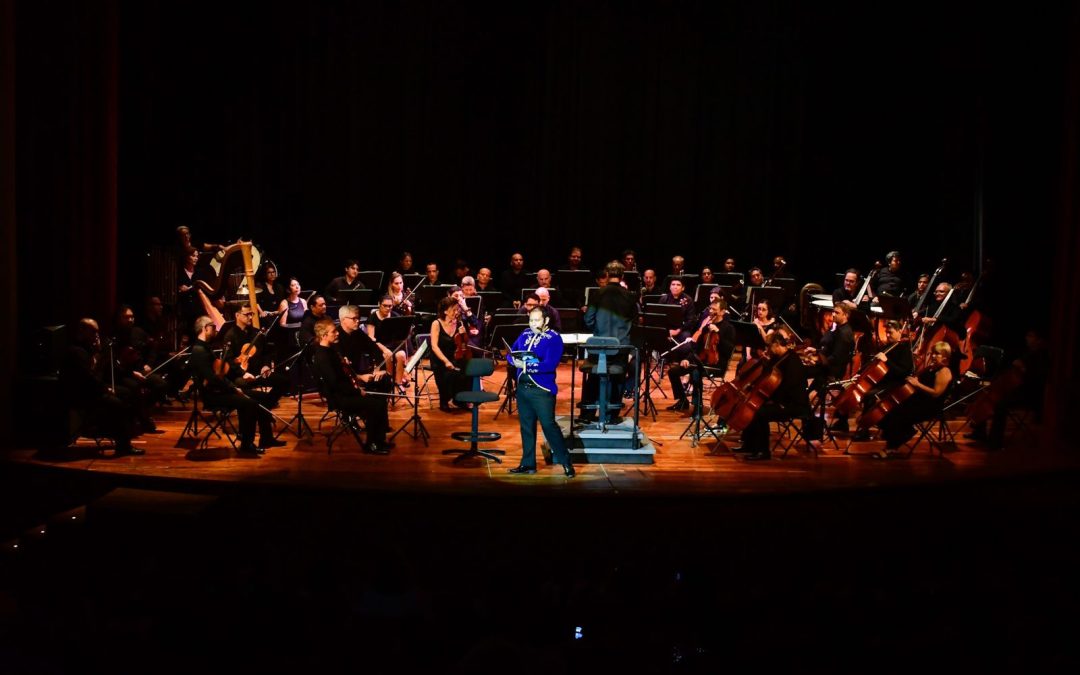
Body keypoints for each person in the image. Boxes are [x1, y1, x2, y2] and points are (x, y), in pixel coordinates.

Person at [188, 315, 283, 455]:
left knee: (261, 396)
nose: (216, 330)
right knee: (248, 403)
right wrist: (233, 388)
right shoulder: (199, 351)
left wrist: (232, 386)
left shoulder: (206, 348)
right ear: (205, 329)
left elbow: (219, 374)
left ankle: (266, 438)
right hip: (213, 395)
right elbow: (213, 378)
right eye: (213, 327)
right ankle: (247, 444)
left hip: (220, 390)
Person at [506, 308, 575, 477]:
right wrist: (513, 360)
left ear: (546, 321)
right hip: (523, 388)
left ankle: (566, 462)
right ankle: (528, 463)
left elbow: (549, 365)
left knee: (549, 426)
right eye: (531, 320)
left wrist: (526, 366)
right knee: (526, 427)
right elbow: (511, 352)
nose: (533, 324)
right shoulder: (525, 333)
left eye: (536, 320)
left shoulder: (554, 338)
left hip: (541, 390)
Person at [310, 318, 392, 455]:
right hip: (339, 397)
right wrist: (358, 391)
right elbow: (335, 383)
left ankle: (379, 440)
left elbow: (344, 374)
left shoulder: (330, 350)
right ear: (324, 336)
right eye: (333, 332)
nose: (337, 334)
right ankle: (371, 444)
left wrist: (358, 378)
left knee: (380, 397)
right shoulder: (322, 357)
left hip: (346, 391)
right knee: (375, 405)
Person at [60, 318, 141, 455]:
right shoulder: (76, 351)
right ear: (82, 331)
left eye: (97, 332)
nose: (97, 335)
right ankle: (121, 444)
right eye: (93, 332)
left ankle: (124, 434)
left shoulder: (87, 348)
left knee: (127, 393)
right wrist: (105, 388)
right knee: (118, 404)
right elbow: (88, 378)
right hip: (81, 394)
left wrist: (97, 352)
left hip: (89, 390)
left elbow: (95, 374)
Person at [733, 331, 810, 461]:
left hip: (791, 404)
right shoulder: (778, 358)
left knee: (758, 413)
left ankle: (763, 451)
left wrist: (770, 399)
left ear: (777, 344)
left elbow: (788, 387)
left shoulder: (793, 361)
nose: (768, 349)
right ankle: (749, 445)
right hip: (780, 399)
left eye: (770, 346)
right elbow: (766, 373)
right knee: (751, 407)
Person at [580, 262, 638, 423]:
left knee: (593, 378)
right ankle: (612, 416)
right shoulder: (630, 296)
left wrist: (599, 330)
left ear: (606, 274)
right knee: (618, 378)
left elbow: (588, 320)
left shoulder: (598, 294)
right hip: (621, 347)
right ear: (622, 276)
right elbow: (635, 324)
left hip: (598, 346)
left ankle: (587, 415)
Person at [876, 341, 954, 456]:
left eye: (937, 354)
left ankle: (895, 443)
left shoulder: (944, 372)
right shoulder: (931, 368)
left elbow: (936, 393)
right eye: (933, 353)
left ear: (945, 356)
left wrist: (917, 384)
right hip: (919, 401)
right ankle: (896, 439)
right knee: (891, 408)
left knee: (898, 413)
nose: (933, 356)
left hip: (930, 406)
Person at [666, 299, 736, 412]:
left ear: (723, 312)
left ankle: (698, 406)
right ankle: (683, 401)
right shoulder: (706, 327)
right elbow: (696, 348)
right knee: (673, 371)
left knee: (695, 371)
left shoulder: (729, 328)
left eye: (715, 310)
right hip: (701, 361)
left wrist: (718, 332)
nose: (711, 312)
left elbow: (728, 350)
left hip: (716, 365)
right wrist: (687, 359)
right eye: (710, 309)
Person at [222, 305, 290, 406]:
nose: (250, 317)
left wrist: (266, 365)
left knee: (284, 381)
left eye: (251, 314)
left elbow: (267, 352)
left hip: (258, 372)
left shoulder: (256, 333)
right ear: (237, 315)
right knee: (243, 384)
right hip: (240, 374)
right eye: (247, 314)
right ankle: (257, 406)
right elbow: (228, 360)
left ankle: (267, 403)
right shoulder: (230, 335)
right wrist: (242, 373)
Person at [429, 297, 470, 413]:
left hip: (455, 356)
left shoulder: (459, 323)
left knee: (467, 370)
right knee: (448, 375)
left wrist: (464, 333)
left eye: (457, 309)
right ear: (445, 311)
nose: (457, 312)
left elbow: (465, 342)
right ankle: (444, 401)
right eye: (454, 310)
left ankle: (460, 400)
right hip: (440, 359)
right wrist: (446, 361)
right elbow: (434, 346)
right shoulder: (436, 323)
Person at [367, 296, 410, 386]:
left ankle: (398, 383)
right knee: (387, 354)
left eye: (390, 306)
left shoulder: (395, 316)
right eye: (385, 306)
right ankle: (389, 382)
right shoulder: (373, 317)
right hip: (378, 346)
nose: (387, 308)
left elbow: (403, 335)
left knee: (401, 355)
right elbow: (371, 338)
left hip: (393, 344)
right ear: (379, 304)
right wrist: (384, 349)